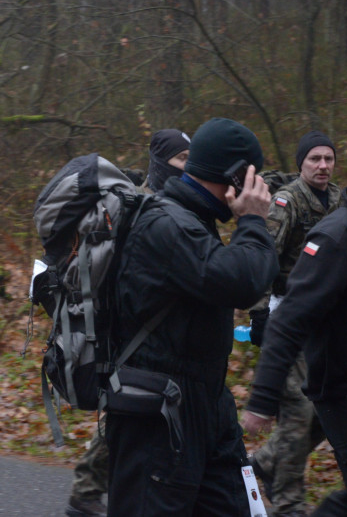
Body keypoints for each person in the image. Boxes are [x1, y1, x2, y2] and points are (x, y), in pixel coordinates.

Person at [105, 117, 277, 516]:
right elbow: (243, 280)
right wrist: (252, 219)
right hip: (158, 416)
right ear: (236, 175)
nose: (260, 187)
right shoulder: (167, 223)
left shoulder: (192, 221)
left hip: (205, 408)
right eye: (255, 176)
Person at [66, 127, 192, 517]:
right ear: (162, 162)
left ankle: (90, 489)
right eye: (183, 160)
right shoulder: (143, 208)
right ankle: (89, 489)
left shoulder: (172, 205)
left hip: (158, 335)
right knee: (128, 410)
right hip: (136, 335)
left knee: (131, 410)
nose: (189, 168)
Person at [242, 139, 347, 515]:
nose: (323, 165)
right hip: (288, 315)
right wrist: (260, 314)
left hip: (328, 319)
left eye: (329, 158)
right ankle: (287, 498)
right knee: (299, 410)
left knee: (318, 416)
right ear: (302, 163)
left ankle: (264, 462)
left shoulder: (341, 198)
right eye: (315, 158)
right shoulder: (288, 201)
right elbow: (265, 256)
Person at [145, 128, 191, 193]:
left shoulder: (195, 198)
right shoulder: (139, 201)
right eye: (182, 158)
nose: (188, 165)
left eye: (190, 159)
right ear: (160, 161)